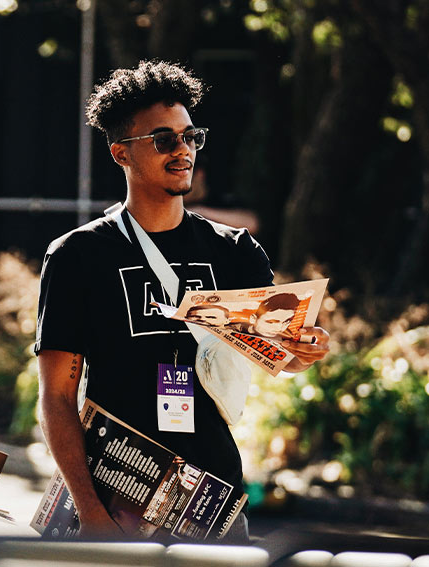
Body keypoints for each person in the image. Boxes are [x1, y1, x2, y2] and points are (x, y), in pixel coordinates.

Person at [35, 60, 330, 541]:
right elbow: (58, 397)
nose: (183, 150)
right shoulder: (77, 255)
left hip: (214, 493)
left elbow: (282, 352)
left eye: (190, 136)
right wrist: (90, 512)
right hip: (116, 492)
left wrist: (307, 349)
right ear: (120, 154)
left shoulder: (234, 250)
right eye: (163, 139)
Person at [231, 293, 300, 339]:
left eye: (286, 322)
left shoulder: (289, 337)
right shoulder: (230, 329)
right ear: (253, 319)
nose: (279, 328)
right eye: (271, 322)